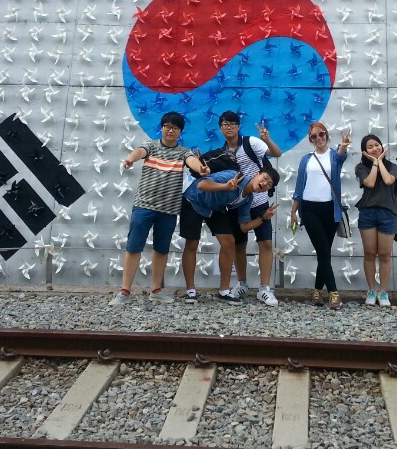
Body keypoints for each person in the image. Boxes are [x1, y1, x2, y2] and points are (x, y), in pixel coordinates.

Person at [109, 112, 208, 306]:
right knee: (133, 247)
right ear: (161, 128)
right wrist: (130, 159)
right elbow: (139, 151)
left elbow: (192, 161)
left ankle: (156, 290)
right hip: (144, 205)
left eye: (175, 128)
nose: (171, 131)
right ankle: (124, 291)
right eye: (167, 127)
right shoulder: (152, 146)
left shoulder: (183, 152)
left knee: (161, 249)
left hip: (168, 210)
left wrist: (200, 169)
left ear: (180, 132)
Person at [182, 164, 280, 304]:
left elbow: (244, 227)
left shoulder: (247, 199)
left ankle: (224, 291)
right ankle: (190, 291)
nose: (264, 184)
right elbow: (201, 184)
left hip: (214, 208)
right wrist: (225, 186)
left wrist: (263, 218)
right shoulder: (234, 176)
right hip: (193, 200)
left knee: (229, 242)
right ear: (256, 174)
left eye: (268, 184)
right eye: (264, 178)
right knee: (192, 243)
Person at [216, 111, 283, 306]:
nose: (229, 127)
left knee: (266, 243)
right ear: (220, 128)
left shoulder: (251, 142)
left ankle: (264, 289)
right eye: (225, 124)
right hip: (239, 202)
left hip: (260, 200)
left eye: (233, 123)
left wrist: (267, 140)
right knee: (239, 244)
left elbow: (277, 153)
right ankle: (242, 284)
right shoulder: (222, 151)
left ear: (238, 126)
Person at [289, 122, 351, 310]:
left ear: (327, 134)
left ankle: (316, 291)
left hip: (330, 209)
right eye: (314, 136)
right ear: (310, 139)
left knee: (324, 252)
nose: (318, 138)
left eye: (321, 134)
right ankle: (333, 293)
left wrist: (343, 147)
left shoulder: (334, 155)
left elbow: (341, 157)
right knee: (323, 251)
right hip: (309, 209)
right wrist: (293, 211)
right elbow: (299, 187)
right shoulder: (306, 159)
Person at [354, 134, 397, 307]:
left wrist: (380, 162)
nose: (375, 148)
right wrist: (374, 163)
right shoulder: (360, 167)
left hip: (388, 213)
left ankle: (383, 291)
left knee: (385, 255)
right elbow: (370, 183)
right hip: (368, 213)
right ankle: (372, 290)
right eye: (370, 147)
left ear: (382, 146)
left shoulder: (392, 166)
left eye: (377, 145)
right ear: (364, 151)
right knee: (370, 253)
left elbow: (388, 180)